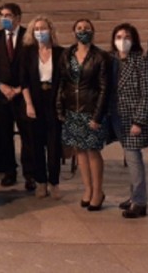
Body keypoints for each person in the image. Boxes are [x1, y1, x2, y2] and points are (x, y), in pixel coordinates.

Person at [56, 18, 109, 211]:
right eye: (79, 28)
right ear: (73, 32)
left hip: (91, 109)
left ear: (93, 31)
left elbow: (104, 88)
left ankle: (98, 191)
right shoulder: (67, 55)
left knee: (93, 151)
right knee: (79, 150)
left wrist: (97, 115)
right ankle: (87, 189)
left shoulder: (100, 56)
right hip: (72, 110)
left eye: (87, 28)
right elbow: (63, 82)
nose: (83, 31)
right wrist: (60, 107)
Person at [109, 23, 148, 219]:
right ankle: (133, 196)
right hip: (116, 117)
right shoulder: (111, 61)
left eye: (127, 37)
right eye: (119, 37)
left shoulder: (141, 61)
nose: (122, 41)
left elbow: (147, 93)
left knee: (134, 159)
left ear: (134, 40)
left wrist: (139, 121)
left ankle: (140, 202)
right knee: (130, 158)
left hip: (133, 118)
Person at [0, 3, 34, 190]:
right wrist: (0, 86)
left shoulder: (29, 38)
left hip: (23, 94)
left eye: (8, 15)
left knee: (27, 135)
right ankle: (9, 171)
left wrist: (18, 89)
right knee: (4, 134)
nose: (4, 18)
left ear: (18, 17)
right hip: (2, 95)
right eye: (2, 15)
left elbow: (33, 68)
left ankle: (29, 174)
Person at [20, 15, 64, 199]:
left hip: (54, 101)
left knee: (54, 145)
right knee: (36, 144)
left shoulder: (61, 52)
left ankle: (54, 182)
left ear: (50, 30)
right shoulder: (28, 53)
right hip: (35, 101)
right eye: (36, 29)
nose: (40, 32)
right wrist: (29, 104)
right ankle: (41, 182)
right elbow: (23, 81)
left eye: (43, 28)